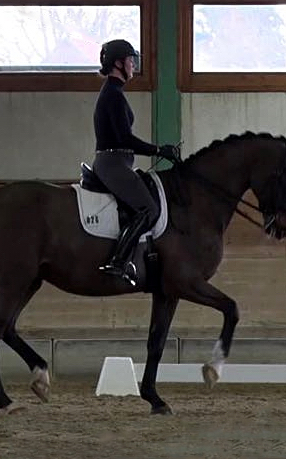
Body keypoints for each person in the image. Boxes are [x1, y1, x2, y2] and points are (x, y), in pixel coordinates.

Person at [92, 39, 179, 286]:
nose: (133, 65)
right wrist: (159, 150)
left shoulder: (114, 92)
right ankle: (119, 261)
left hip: (117, 162)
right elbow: (125, 138)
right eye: (131, 60)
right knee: (148, 209)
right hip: (113, 163)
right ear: (118, 63)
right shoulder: (113, 95)